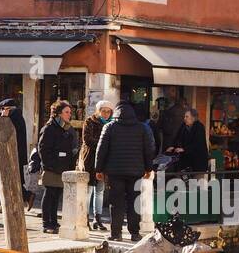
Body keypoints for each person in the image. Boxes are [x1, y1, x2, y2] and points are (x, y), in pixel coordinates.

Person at [94, 99, 156, 242]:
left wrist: (99, 169)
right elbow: (149, 150)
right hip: (136, 172)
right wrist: (148, 168)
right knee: (134, 202)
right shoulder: (142, 128)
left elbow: (101, 149)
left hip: (114, 172)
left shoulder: (109, 127)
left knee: (116, 203)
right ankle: (134, 233)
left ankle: (116, 234)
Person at [37, 99, 78, 234]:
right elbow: (43, 149)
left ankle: (54, 222)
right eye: (66, 112)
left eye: (70, 112)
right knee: (49, 194)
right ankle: (46, 223)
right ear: (59, 114)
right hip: (52, 168)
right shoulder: (49, 128)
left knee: (56, 196)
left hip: (63, 168)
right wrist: (50, 165)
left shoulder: (67, 128)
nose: (69, 114)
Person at [81, 99, 114, 230]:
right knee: (89, 190)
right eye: (103, 111)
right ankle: (85, 218)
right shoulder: (90, 121)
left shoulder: (111, 124)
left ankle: (97, 218)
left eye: (108, 111)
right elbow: (87, 139)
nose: (106, 114)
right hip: (90, 160)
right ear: (98, 111)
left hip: (103, 162)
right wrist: (103, 145)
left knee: (100, 191)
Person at [0, 97, 29, 215]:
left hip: (12, 156)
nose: (2, 111)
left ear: (9, 109)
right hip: (13, 155)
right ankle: (26, 197)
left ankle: (8, 204)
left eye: (3, 109)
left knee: (8, 180)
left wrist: (3, 118)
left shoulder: (12, 119)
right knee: (14, 180)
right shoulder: (16, 118)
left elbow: (4, 133)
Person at [170, 108, 209, 173]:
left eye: (187, 117)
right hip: (186, 163)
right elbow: (177, 137)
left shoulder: (199, 127)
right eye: (184, 116)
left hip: (197, 163)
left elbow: (198, 144)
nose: (184, 118)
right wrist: (173, 146)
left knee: (196, 181)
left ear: (193, 118)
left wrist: (184, 149)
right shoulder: (183, 126)